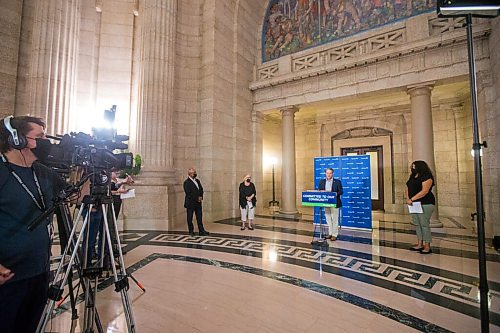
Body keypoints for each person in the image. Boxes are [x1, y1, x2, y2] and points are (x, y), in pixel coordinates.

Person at [0, 115, 65, 333]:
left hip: (39, 271)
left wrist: (94, 172)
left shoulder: (43, 172)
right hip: (7, 275)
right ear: (16, 140)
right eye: (39, 136)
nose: (45, 141)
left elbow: (74, 197)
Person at [406, 160, 435, 254]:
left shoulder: (427, 177)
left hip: (425, 203)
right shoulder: (412, 176)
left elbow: (424, 191)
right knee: (417, 224)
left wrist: (412, 199)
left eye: (414, 166)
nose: (412, 168)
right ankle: (420, 244)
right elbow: (408, 187)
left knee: (424, 224)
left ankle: (427, 246)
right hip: (413, 203)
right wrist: (408, 199)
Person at [317, 167, 343, 241]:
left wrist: (335, 194)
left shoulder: (337, 181)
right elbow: (319, 190)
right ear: (325, 173)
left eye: (330, 173)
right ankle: (330, 233)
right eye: (327, 173)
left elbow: (341, 191)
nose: (328, 174)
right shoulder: (322, 181)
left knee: (334, 219)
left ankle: (334, 234)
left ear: (332, 173)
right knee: (328, 219)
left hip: (335, 203)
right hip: (326, 203)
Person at [183, 167, 209, 236]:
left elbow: (201, 189)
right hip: (190, 203)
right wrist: (197, 198)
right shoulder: (186, 182)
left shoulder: (197, 181)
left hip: (198, 203)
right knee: (190, 218)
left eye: (195, 172)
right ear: (189, 174)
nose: (194, 173)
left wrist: (200, 196)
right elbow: (189, 193)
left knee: (199, 217)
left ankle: (201, 230)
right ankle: (191, 231)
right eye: (193, 172)